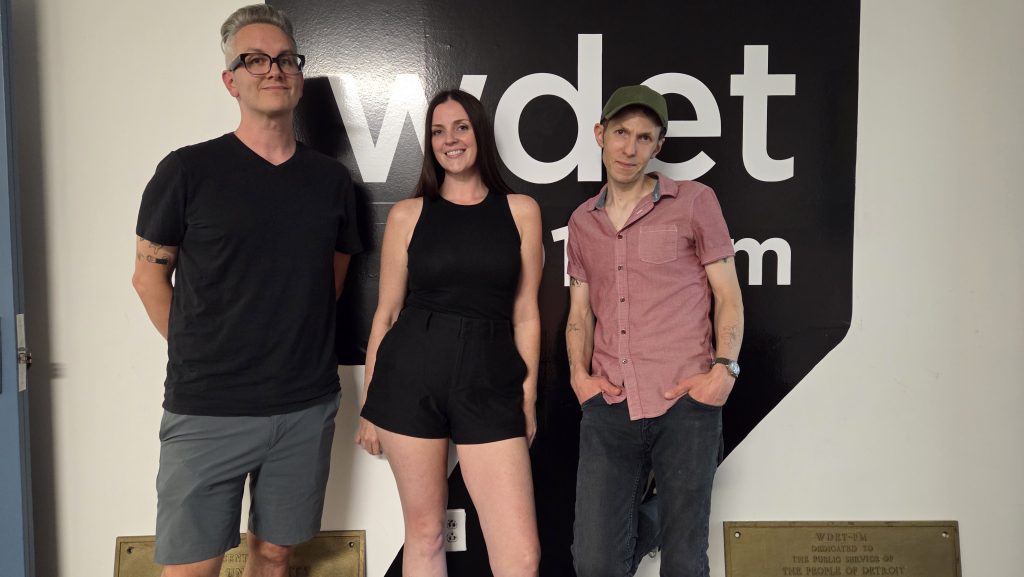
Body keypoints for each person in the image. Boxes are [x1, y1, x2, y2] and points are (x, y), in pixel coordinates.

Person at [132, 5, 362, 576]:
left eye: (285, 59)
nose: (273, 69)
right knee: (192, 565)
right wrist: (202, 350)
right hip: (207, 407)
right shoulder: (187, 171)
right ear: (230, 79)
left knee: (277, 556)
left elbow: (329, 280)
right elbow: (148, 276)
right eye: (254, 59)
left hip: (304, 405)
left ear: (299, 76)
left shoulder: (331, 181)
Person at [354, 89, 542, 577]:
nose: (449, 140)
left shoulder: (520, 210)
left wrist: (526, 398)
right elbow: (387, 315)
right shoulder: (407, 214)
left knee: (521, 555)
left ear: (479, 132)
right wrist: (371, 408)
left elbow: (525, 314)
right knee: (426, 534)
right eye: (438, 131)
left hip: (491, 380)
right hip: (409, 379)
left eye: (460, 127)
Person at [565, 84, 744, 577]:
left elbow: (728, 297)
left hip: (685, 404)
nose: (630, 148)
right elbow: (579, 312)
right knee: (595, 562)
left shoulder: (695, 201)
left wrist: (723, 372)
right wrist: (579, 378)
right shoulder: (582, 222)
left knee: (685, 561)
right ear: (600, 135)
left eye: (645, 137)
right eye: (620, 133)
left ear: (658, 146)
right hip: (610, 406)